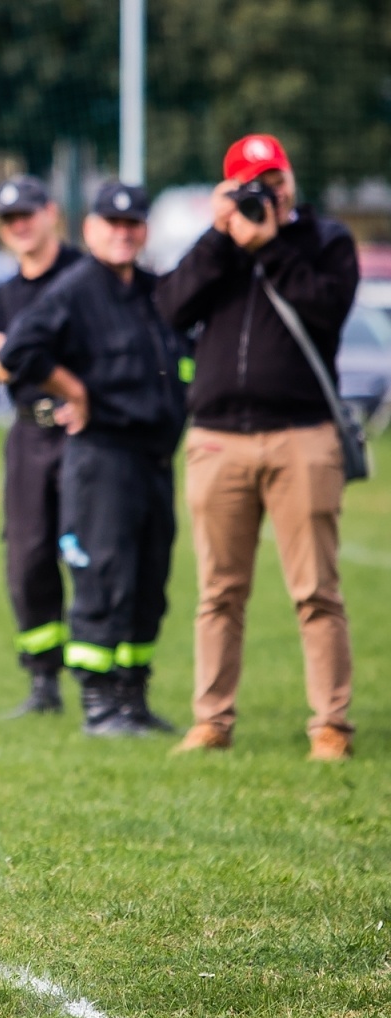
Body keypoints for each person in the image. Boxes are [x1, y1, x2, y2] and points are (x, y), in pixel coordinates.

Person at [154, 134, 361, 761]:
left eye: (272, 179)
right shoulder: (220, 246)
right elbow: (168, 308)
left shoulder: (325, 242)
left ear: (289, 179)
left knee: (316, 591)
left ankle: (331, 725)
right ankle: (211, 721)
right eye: (249, 183)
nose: (263, 192)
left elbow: (327, 310)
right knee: (219, 591)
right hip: (218, 440)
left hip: (302, 436)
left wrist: (270, 245)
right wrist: (221, 237)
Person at [0, 182, 187, 737]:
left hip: (154, 457)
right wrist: (73, 390)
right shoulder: (77, 287)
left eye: (133, 224)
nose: (123, 233)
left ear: (144, 231)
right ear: (89, 228)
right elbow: (20, 351)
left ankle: (134, 694)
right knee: (103, 574)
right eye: (111, 223)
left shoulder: (154, 290)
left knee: (149, 576)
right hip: (102, 454)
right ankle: (99, 705)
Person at [0, 176, 84, 716]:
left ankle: (101, 680)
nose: (19, 226)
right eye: (9, 219)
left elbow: (2, 357)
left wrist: (10, 351)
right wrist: (15, 354)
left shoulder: (85, 276)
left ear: (51, 213)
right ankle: (43, 683)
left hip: (85, 432)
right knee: (28, 557)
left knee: (90, 553)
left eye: (28, 214)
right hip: (28, 433)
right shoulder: (3, 295)